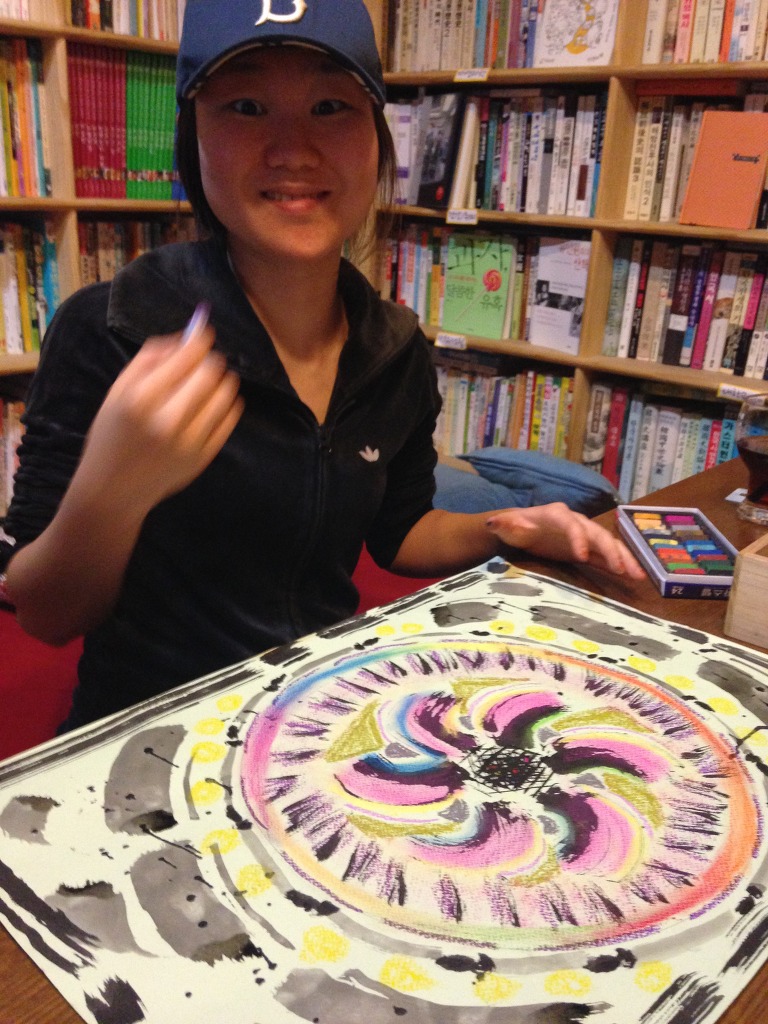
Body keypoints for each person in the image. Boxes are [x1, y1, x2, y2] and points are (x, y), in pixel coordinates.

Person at [0, 0, 643, 732]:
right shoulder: (115, 328)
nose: (294, 150)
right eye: (247, 107)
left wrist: (506, 528)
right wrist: (114, 487)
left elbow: (400, 531)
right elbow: (47, 615)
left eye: (331, 107)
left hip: (320, 719)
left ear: (376, 139)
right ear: (193, 136)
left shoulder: (393, 345)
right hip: (153, 735)